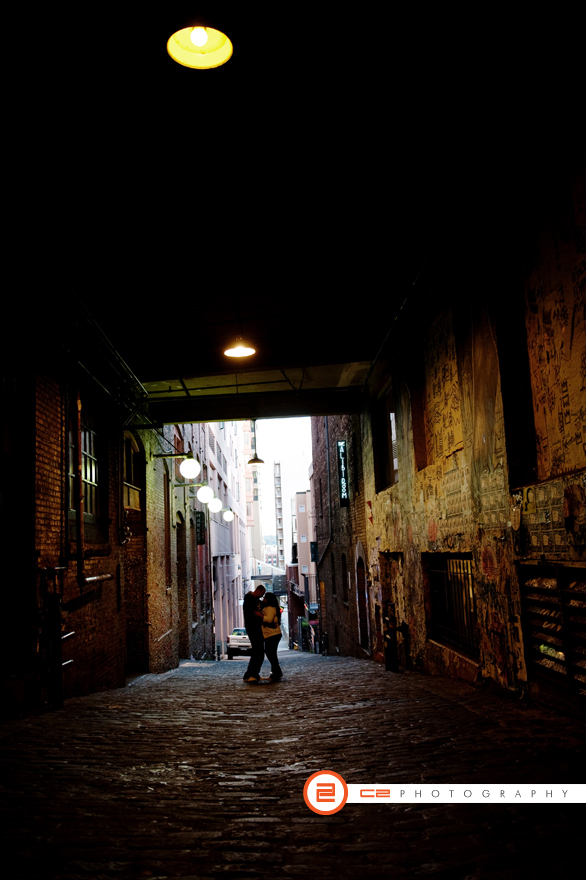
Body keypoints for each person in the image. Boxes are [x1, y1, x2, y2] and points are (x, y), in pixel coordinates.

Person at [242, 585, 266, 683]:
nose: (261, 596)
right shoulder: (249, 598)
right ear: (259, 590)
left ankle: (255, 673)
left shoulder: (255, 600)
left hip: (256, 627)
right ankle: (250, 674)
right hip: (252, 627)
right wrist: (264, 618)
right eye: (262, 594)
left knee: (259, 651)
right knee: (257, 651)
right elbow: (255, 612)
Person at [262, 592, 283, 682]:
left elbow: (269, 619)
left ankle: (277, 672)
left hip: (272, 634)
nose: (263, 600)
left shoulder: (269, 608)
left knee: (270, 653)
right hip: (273, 634)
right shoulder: (273, 608)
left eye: (264, 598)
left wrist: (259, 616)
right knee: (272, 654)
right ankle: (275, 672)